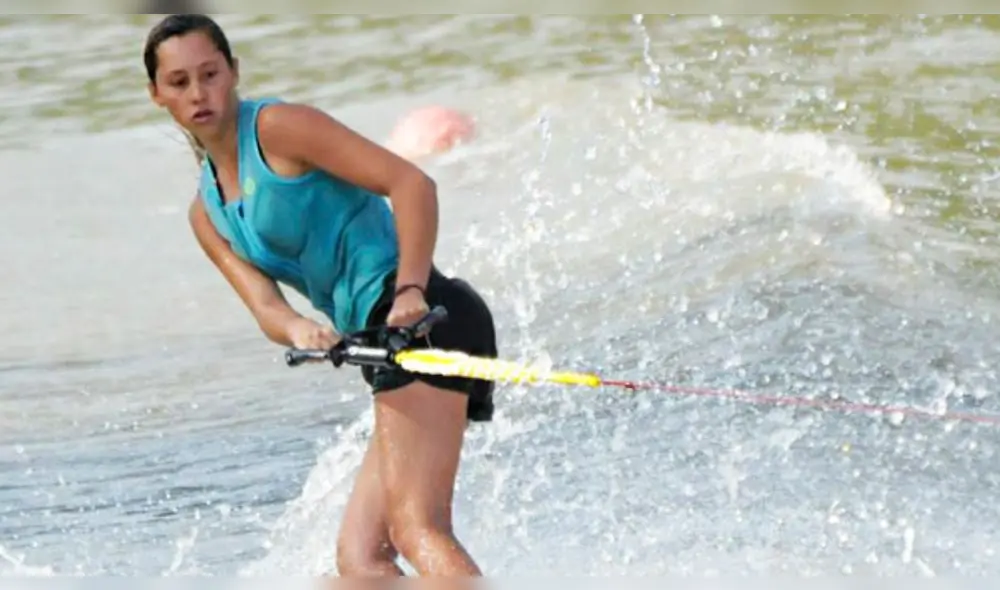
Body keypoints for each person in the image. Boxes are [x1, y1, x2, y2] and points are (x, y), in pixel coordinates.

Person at [142, 14, 498, 577]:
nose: (198, 93)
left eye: (210, 74)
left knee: (416, 529)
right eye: (180, 82)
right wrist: (299, 328)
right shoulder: (205, 213)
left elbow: (412, 184)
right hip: (379, 341)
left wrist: (408, 288)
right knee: (360, 564)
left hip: (423, 315)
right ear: (157, 94)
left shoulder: (279, 128)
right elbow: (267, 308)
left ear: (233, 73)